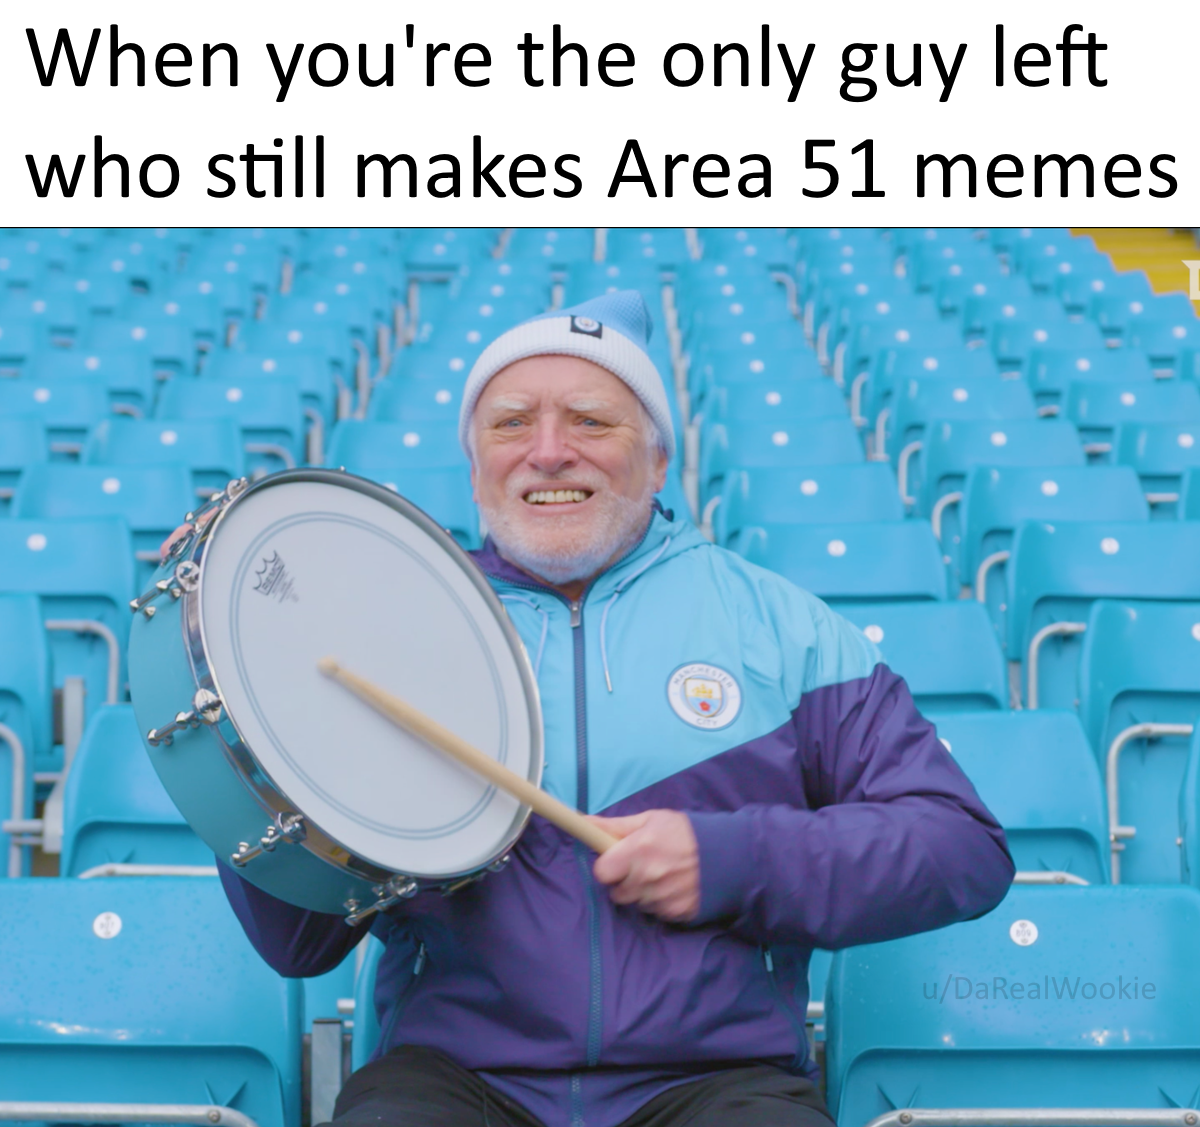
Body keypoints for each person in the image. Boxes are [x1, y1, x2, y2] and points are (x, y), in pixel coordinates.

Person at [216, 290, 1014, 1127]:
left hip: (719, 1080)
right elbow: (297, 943)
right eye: (511, 423)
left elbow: (961, 847)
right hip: (453, 1079)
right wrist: (243, 682)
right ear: (476, 461)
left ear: (659, 460)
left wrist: (734, 859)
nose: (550, 452)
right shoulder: (386, 630)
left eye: (592, 422)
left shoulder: (786, 631)